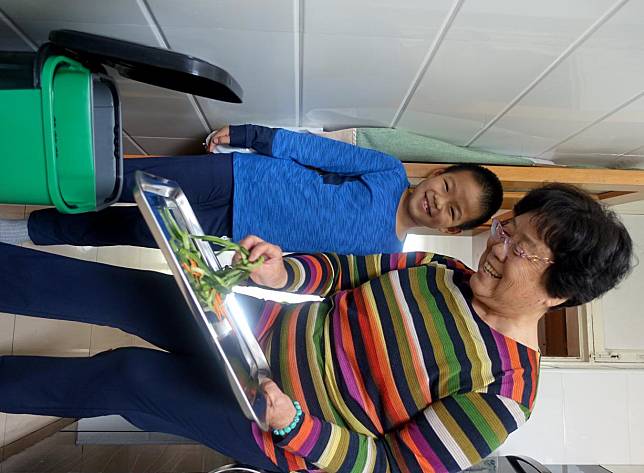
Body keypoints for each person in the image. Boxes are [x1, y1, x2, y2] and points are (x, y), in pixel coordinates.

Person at [0, 184, 632, 472]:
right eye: (504, 230)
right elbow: (341, 273)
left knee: (125, 376)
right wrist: (283, 274)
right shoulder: (440, 268)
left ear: (564, 291)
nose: (495, 249)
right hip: (255, 333)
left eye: (519, 249)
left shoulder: (503, 394)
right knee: (124, 289)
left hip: (282, 424)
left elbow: (388, 466)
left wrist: (296, 426)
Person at [0, 125, 502, 255]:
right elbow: (315, 152)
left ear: (451, 226)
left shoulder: (385, 252)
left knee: (128, 228)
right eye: (448, 184)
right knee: (124, 180)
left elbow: (310, 269)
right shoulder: (389, 171)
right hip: (237, 178)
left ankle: (28, 231)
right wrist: (248, 136)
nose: (439, 198)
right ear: (439, 174)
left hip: (228, 235)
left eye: (452, 208)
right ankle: (23, 171)